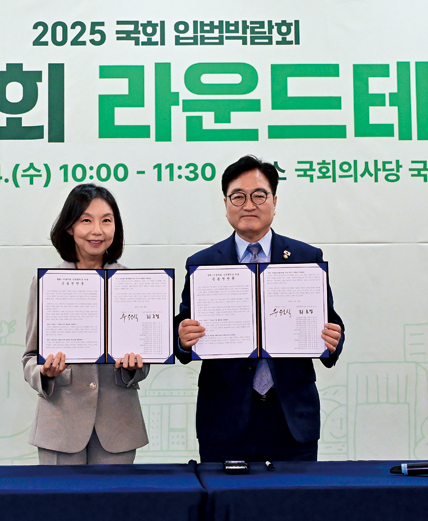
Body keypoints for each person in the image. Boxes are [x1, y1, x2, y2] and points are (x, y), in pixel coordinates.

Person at [175, 155, 344, 462]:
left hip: (292, 419)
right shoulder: (204, 264)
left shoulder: (306, 258)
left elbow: (331, 323)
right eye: (238, 196)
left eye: (259, 195)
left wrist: (334, 339)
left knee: (295, 495)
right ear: (226, 204)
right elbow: (182, 331)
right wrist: (183, 338)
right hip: (224, 420)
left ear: (274, 202)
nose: (248, 205)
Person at [23, 184, 149, 464]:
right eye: (86, 221)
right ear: (70, 227)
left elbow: (144, 361)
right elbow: (29, 357)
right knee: (61, 495)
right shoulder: (46, 284)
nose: (97, 231)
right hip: (60, 425)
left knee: (115, 495)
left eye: (106, 221)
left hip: (118, 425)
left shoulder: (133, 284)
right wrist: (44, 372)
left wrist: (134, 369)